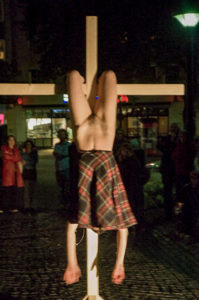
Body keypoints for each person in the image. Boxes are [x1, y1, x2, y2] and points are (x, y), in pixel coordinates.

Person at [63, 70, 137, 286]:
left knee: (108, 76)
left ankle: (91, 82)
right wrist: (72, 263)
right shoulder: (82, 210)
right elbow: (70, 232)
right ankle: (86, 82)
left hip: (100, 139)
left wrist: (119, 264)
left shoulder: (102, 211)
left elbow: (123, 231)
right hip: (89, 139)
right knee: (77, 76)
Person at [157, 123, 180, 220]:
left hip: (175, 168)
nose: (172, 130)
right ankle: (168, 213)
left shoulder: (178, 139)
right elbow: (161, 148)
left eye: (174, 128)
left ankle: (177, 212)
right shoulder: (168, 138)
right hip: (167, 168)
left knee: (178, 191)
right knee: (167, 191)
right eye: (171, 128)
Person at [1, 135, 24, 212]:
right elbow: (7, 156)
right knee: (6, 190)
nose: (11, 141)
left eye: (13, 140)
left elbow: (18, 158)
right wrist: (15, 158)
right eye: (10, 140)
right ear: (7, 141)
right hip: (7, 172)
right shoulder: (4, 148)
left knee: (13, 190)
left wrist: (13, 158)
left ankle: (12, 207)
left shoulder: (16, 149)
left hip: (15, 173)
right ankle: (3, 207)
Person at [172, 130, 196, 203]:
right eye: (180, 137)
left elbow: (175, 156)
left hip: (184, 171)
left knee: (183, 189)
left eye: (182, 136)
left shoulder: (185, 147)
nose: (181, 138)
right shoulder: (182, 146)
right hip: (181, 171)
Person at [53, 129, 71, 209]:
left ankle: (67, 203)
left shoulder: (68, 145)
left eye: (63, 134)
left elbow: (60, 155)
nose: (61, 136)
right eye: (60, 134)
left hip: (66, 168)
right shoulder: (57, 145)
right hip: (59, 169)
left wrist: (60, 154)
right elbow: (58, 155)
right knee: (61, 187)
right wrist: (62, 155)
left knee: (67, 187)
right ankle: (62, 203)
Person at [21, 139, 38, 212]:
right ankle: (27, 206)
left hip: (32, 172)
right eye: (27, 145)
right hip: (26, 172)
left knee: (33, 190)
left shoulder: (34, 152)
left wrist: (26, 161)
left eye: (29, 145)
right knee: (26, 190)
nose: (28, 146)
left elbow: (34, 161)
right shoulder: (23, 153)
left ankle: (33, 206)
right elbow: (22, 161)